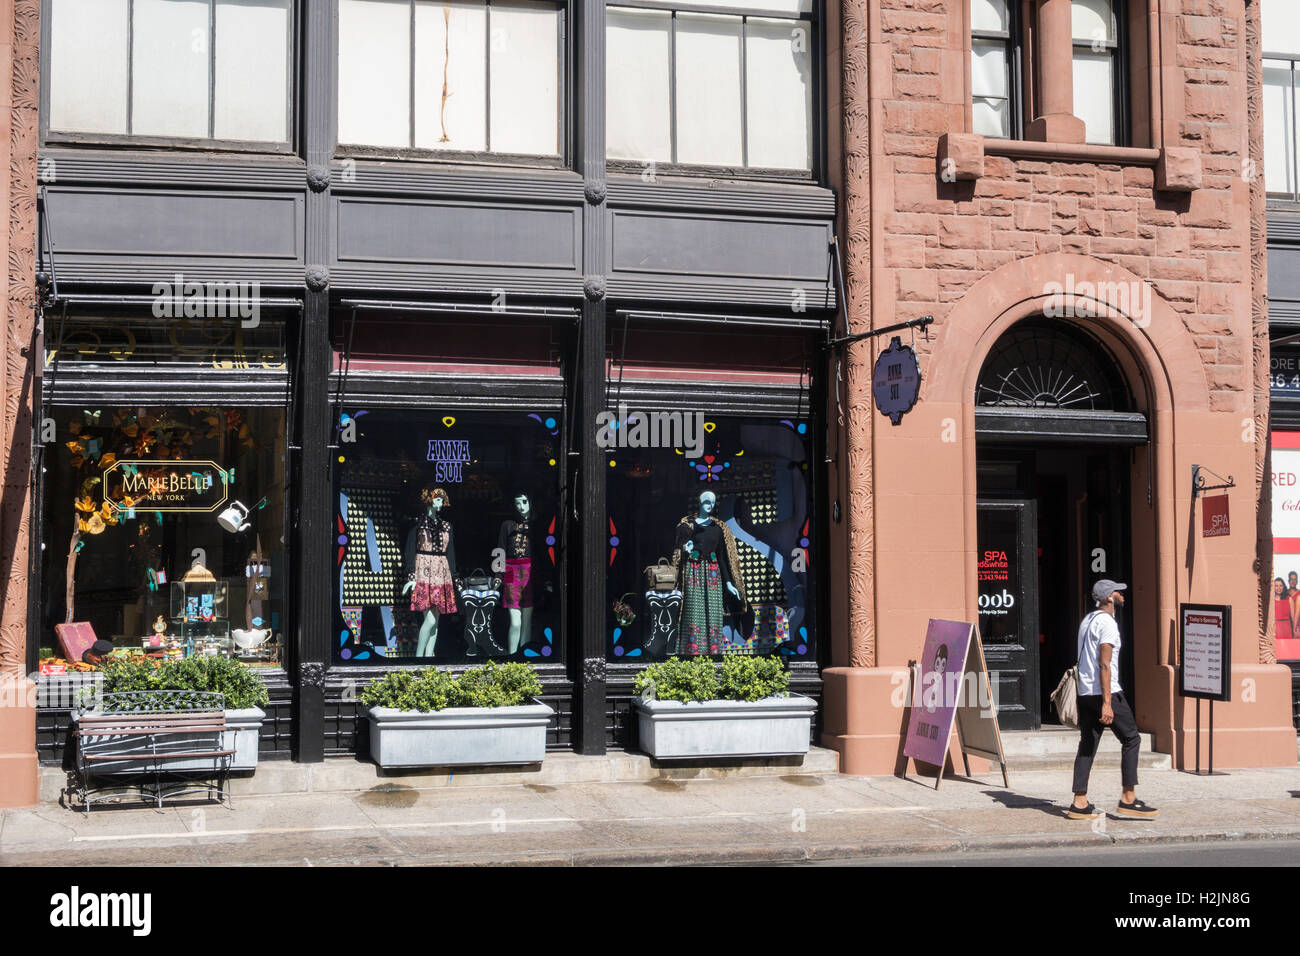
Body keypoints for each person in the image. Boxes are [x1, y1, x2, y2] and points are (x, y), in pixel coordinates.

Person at [1067, 579, 1159, 820]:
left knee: (1088, 743)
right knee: (1132, 739)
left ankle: (1079, 802)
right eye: (1118, 592)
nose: (1122, 594)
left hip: (1086, 692)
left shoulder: (1087, 620)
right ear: (1109, 598)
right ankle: (1128, 798)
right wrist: (1108, 703)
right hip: (1105, 692)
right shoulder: (1107, 623)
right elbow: (1105, 663)